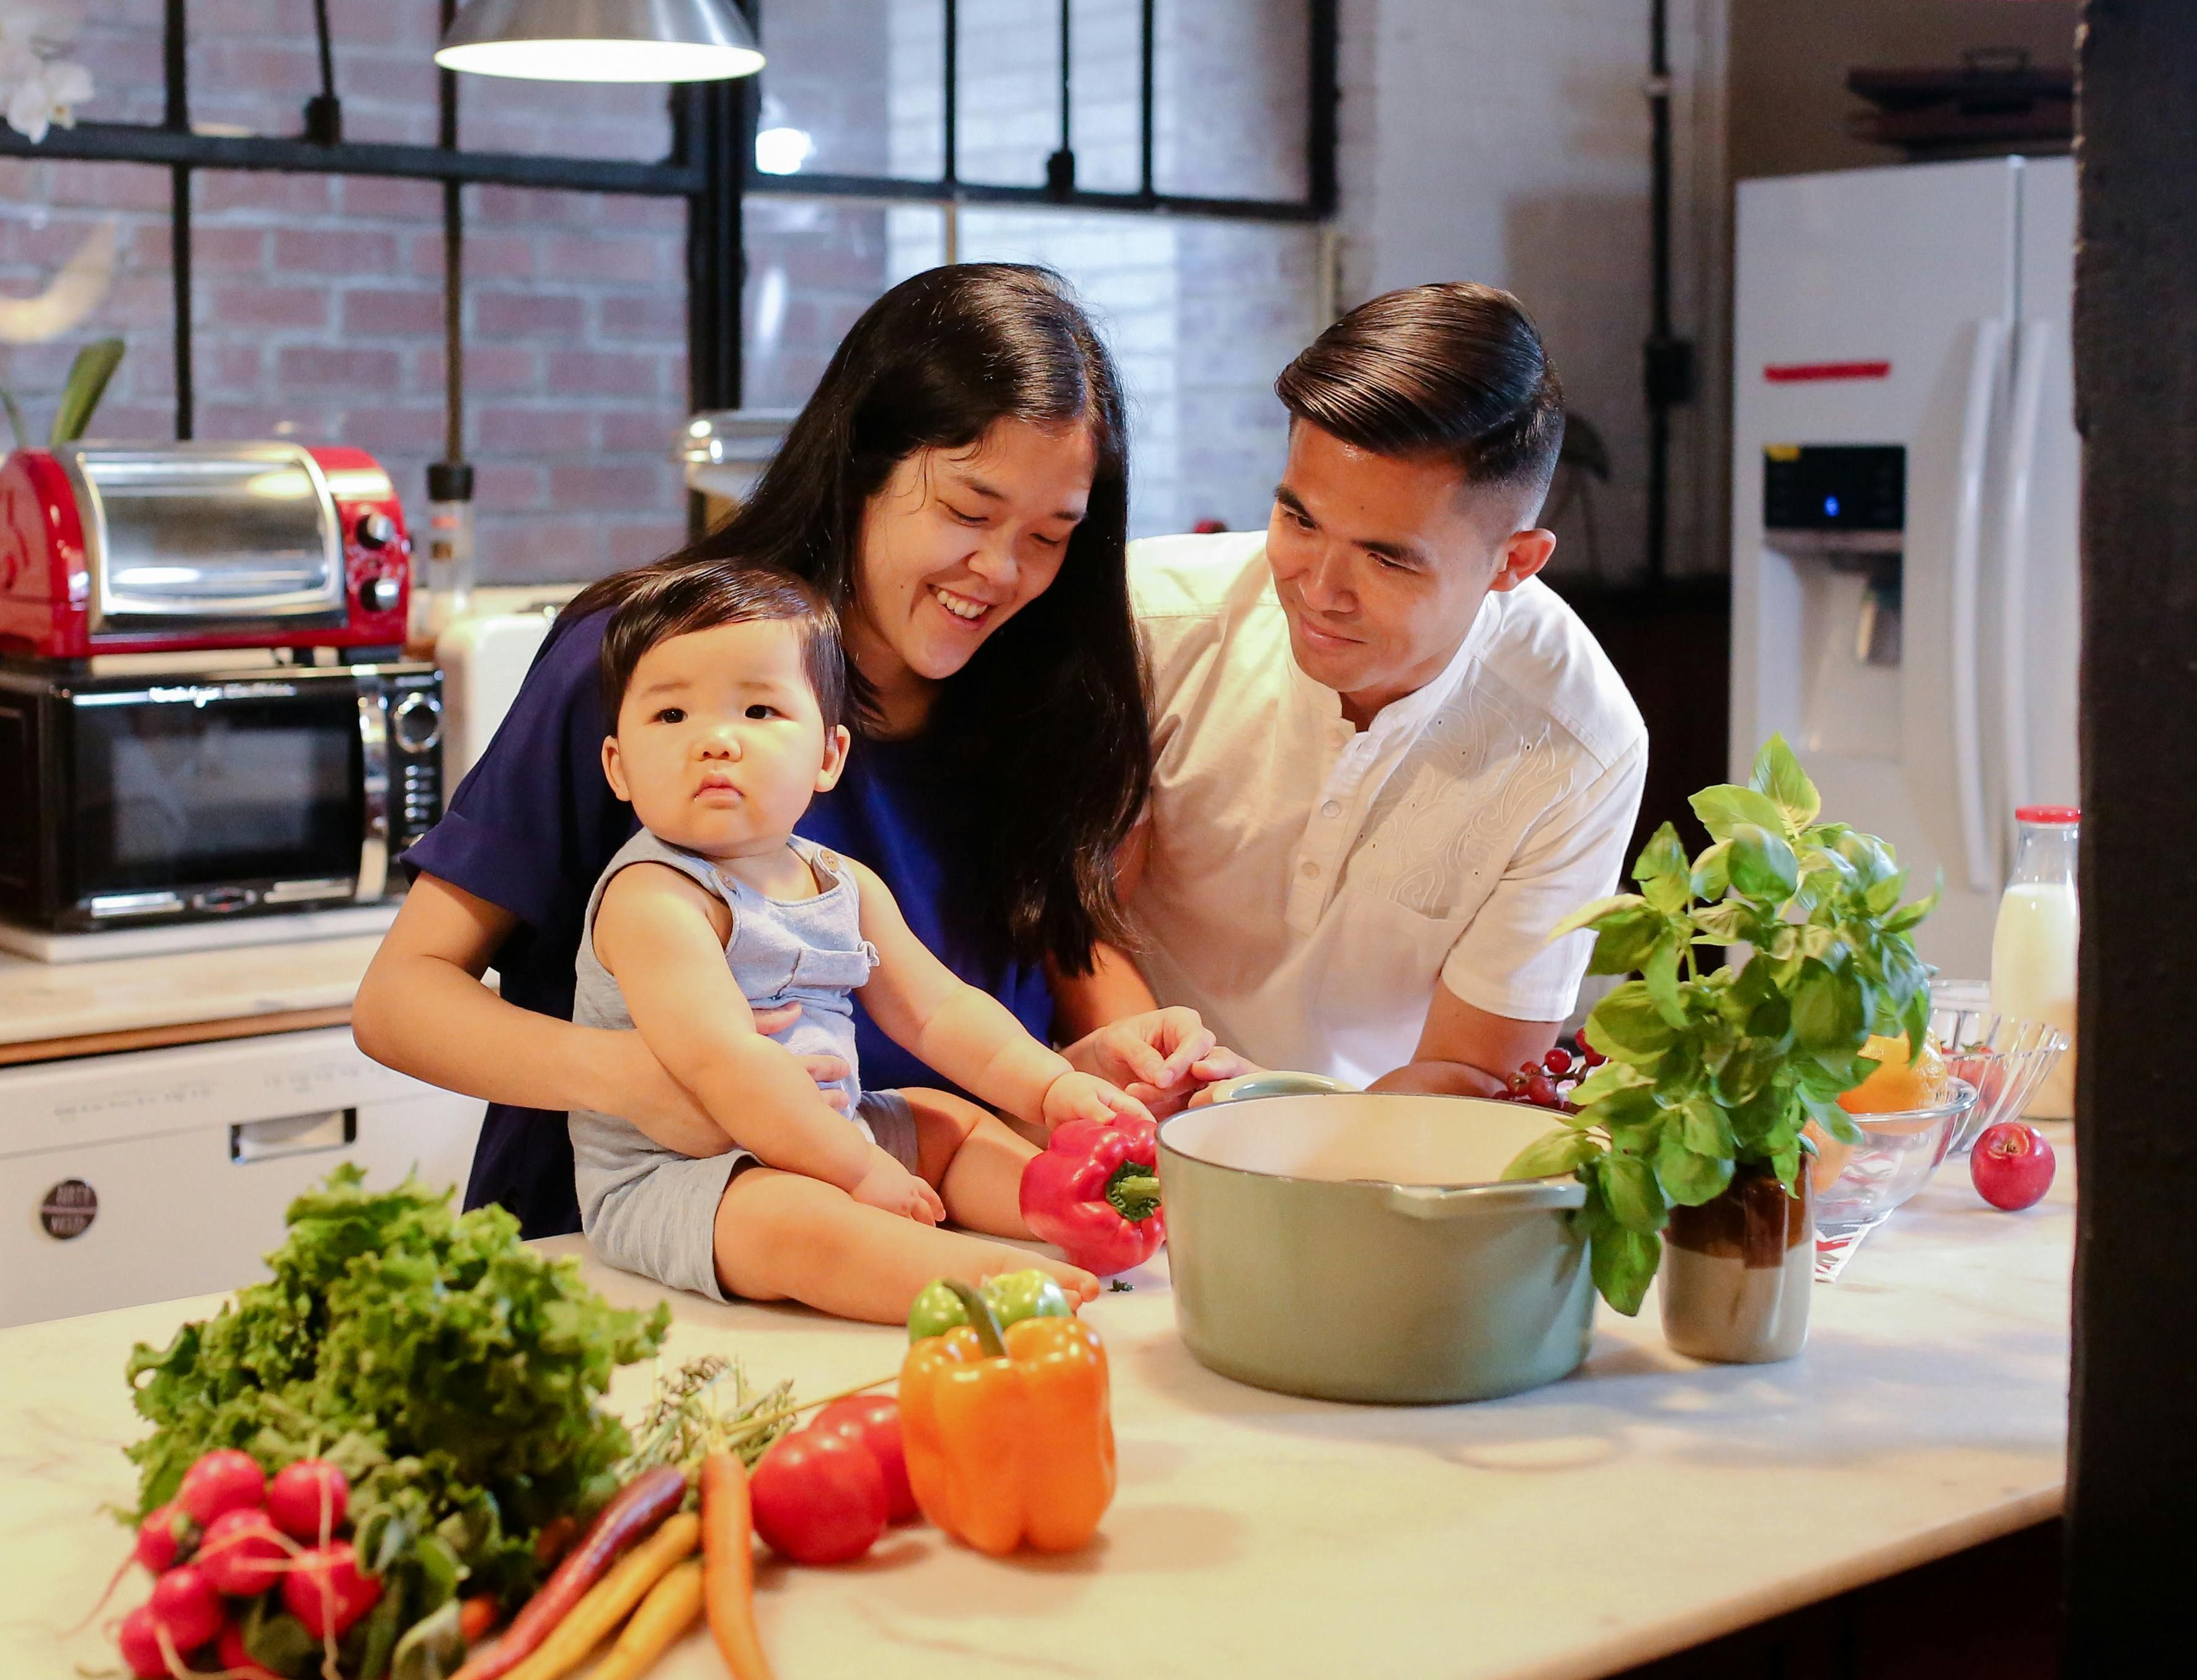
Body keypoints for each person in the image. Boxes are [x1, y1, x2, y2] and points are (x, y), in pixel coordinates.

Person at [353, 264, 1236, 1239]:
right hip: (635, 1256)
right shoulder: (663, 667)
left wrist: (1095, 1073)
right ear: (863, 466)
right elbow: (403, 1001)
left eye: (1049, 535)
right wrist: (647, 1080)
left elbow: (1061, 977)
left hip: (927, 1247)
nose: (1002, 570)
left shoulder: (1039, 698)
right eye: (969, 511)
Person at [566, 562, 1134, 1319]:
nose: (716, 742)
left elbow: (938, 1011)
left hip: (839, 1126)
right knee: (794, 1222)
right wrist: (858, 1172)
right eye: (672, 717)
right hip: (688, 1172)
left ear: (828, 756)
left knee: (947, 1119)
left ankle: (1057, 1205)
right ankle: (969, 1280)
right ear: (618, 767)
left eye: (760, 710)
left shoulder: (844, 883)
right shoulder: (654, 897)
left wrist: (1048, 1086)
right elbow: (724, 1064)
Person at [1122, 283, 1649, 1097]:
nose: (1319, 587)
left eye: (1388, 557)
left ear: (1515, 562)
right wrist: (1165, 1087)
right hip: (1102, 1110)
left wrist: (1268, 1124)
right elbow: (1069, 919)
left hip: (1374, 1150)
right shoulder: (1150, 620)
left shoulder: (1580, 741)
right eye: (1299, 519)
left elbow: (1474, 1069)